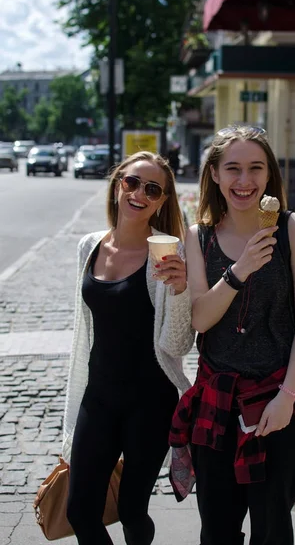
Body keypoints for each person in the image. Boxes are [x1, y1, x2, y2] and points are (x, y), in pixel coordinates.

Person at [169, 125, 295, 545]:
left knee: (273, 532)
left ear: (269, 175)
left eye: (256, 168)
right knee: (217, 532)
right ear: (215, 175)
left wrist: (288, 398)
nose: (244, 181)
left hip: (276, 400)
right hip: (215, 404)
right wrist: (239, 270)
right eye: (232, 168)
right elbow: (201, 319)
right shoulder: (199, 238)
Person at [63, 151, 195, 545]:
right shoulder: (89, 247)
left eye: (152, 189)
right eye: (132, 182)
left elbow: (178, 344)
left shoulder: (169, 257)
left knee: (132, 510)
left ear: (162, 201)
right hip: (99, 396)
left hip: (150, 403)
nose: (139, 194)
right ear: (118, 182)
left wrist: (181, 289)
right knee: (80, 511)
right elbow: (84, 328)